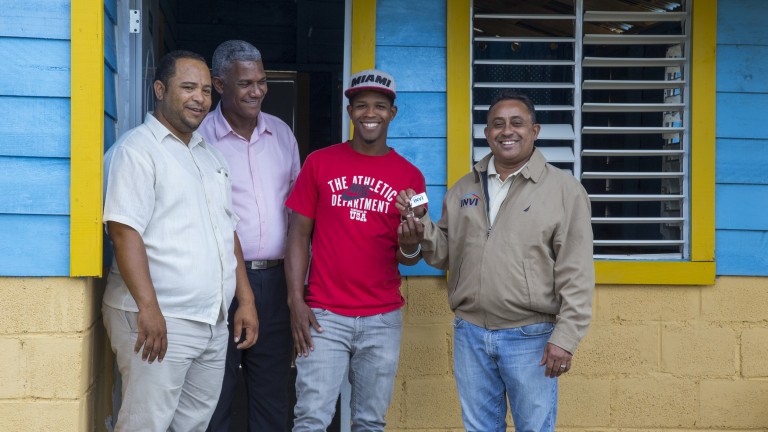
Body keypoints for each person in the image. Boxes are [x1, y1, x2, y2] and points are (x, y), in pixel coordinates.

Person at [397, 90, 594, 431]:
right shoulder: (464, 189)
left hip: (531, 335)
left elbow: (576, 272)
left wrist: (565, 337)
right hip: (471, 333)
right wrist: (421, 226)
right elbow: (443, 255)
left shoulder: (564, 190)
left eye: (517, 123)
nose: (507, 131)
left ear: (535, 131)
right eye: (498, 124)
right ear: (487, 134)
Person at [102, 50, 258, 432]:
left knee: (192, 426)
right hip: (159, 319)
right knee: (145, 425)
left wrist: (246, 300)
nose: (199, 98)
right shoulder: (136, 151)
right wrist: (149, 308)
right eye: (188, 87)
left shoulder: (209, 156)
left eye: (205, 90)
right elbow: (124, 231)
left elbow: (227, 231)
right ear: (160, 89)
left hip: (211, 321)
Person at [285, 69, 426, 432]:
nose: (370, 113)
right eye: (361, 105)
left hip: (382, 317)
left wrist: (411, 242)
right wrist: (296, 300)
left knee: (369, 422)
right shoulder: (319, 162)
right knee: (311, 419)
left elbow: (409, 255)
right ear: (349, 111)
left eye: (379, 106)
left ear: (392, 113)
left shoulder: (411, 177)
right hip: (324, 314)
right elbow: (297, 234)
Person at [198, 40, 300, 432]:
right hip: (217, 281)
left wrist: (298, 287)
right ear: (220, 84)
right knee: (215, 394)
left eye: (261, 81)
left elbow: (297, 215)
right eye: (245, 84)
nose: (257, 91)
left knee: (272, 395)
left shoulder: (282, 133)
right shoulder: (200, 138)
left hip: (275, 280)